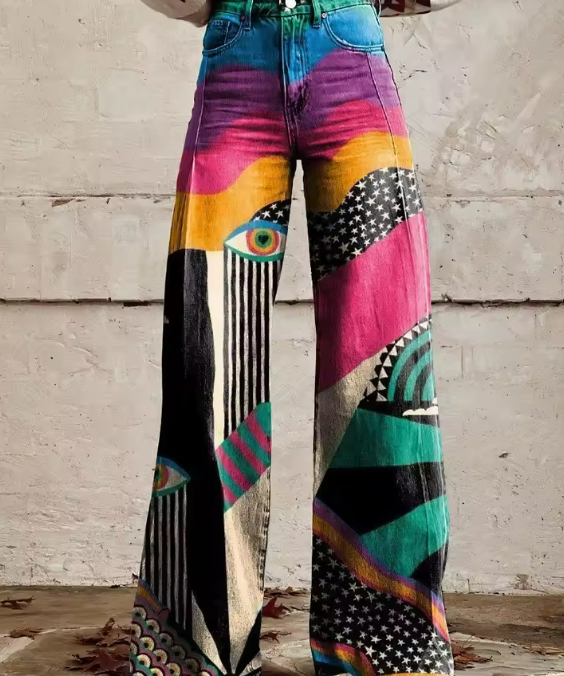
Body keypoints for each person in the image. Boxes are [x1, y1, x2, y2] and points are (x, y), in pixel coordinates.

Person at [129, 1, 461, 675]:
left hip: (349, 55)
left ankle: (384, 650)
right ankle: (198, 652)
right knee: (206, 356)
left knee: (382, 361)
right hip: (236, 57)